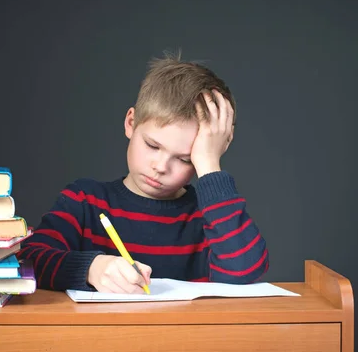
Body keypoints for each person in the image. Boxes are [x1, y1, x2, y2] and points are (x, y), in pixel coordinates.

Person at [18, 50, 269, 293]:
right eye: (152, 145)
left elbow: (244, 274)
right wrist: (91, 268)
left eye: (184, 159)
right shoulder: (85, 201)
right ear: (131, 123)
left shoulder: (210, 218)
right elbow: (30, 258)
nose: (160, 167)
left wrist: (209, 164)